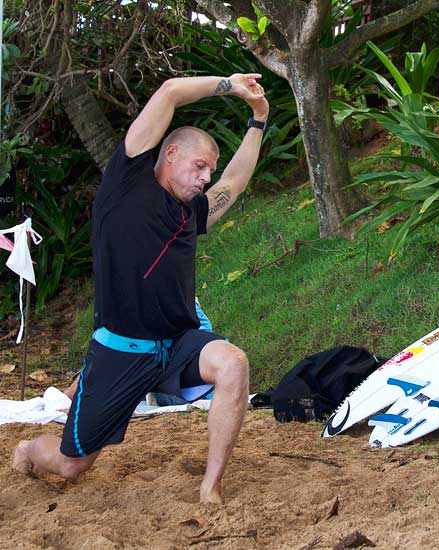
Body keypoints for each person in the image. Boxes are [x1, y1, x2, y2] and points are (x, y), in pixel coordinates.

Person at [12, 73, 269, 505]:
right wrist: (229, 85)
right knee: (72, 465)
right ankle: (27, 450)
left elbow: (235, 184)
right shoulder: (127, 182)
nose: (207, 177)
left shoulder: (190, 212)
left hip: (176, 344)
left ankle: (211, 487)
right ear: (170, 154)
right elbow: (169, 91)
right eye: (199, 166)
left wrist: (258, 120)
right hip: (120, 352)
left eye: (209, 169)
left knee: (233, 364)